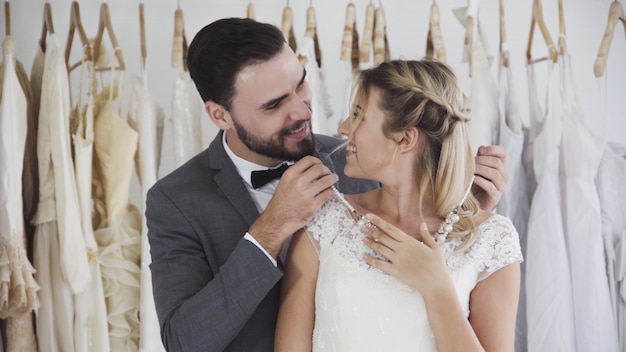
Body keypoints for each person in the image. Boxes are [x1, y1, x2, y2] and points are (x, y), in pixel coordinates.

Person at [146, 18, 509, 352]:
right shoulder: (175, 200)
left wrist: (462, 212)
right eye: (274, 105)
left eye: (300, 84)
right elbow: (184, 340)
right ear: (220, 115)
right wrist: (271, 229)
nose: (303, 111)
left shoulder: (361, 156)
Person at [274, 59, 522, 351]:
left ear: (405, 138)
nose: (342, 128)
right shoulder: (323, 223)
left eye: (358, 115)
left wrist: (436, 286)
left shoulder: (493, 241)